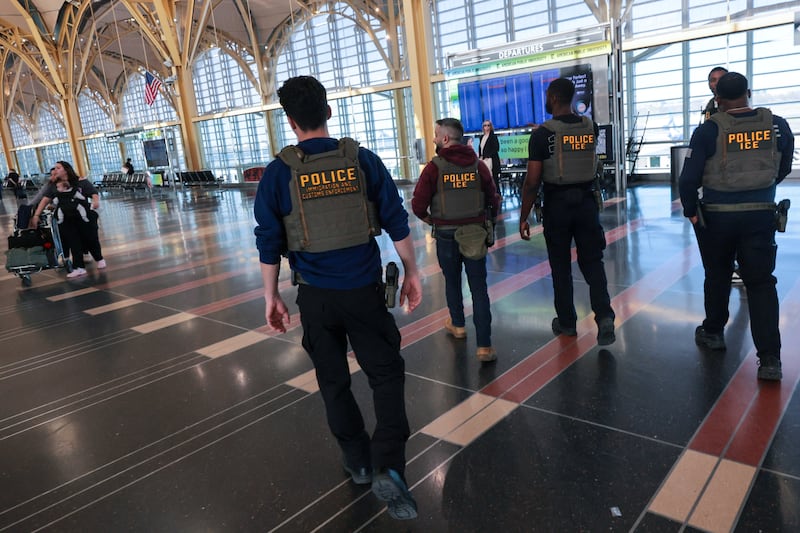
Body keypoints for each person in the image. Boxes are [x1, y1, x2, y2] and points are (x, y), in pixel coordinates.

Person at [253, 76, 422, 520]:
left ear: (290, 122)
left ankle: (359, 461)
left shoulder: (278, 173)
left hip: (315, 298)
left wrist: (271, 296)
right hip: (365, 292)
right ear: (328, 112)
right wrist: (412, 271)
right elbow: (396, 221)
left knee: (333, 381)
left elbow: (269, 241)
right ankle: (389, 461)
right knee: (385, 375)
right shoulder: (361, 160)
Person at [678, 72, 794, 381]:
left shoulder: (707, 130)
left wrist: (691, 211)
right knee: (761, 283)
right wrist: (760, 192)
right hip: (760, 216)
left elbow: (688, 179)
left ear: (717, 100)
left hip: (716, 218)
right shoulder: (777, 125)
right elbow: (783, 167)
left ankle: (714, 332)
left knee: (717, 275)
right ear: (749, 92)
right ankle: (770, 359)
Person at [519, 77, 616, 346]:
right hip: (586, 203)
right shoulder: (590, 127)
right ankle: (605, 316)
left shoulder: (542, 134)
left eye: (547, 95)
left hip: (557, 205)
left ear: (552, 97)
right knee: (593, 262)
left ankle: (567, 323)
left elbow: (532, 181)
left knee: (560, 266)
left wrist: (524, 215)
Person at [411, 117, 500, 362]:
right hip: (474, 234)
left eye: (436, 134)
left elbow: (418, 204)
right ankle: (485, 346)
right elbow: (493, 197)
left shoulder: (434, 168)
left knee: (452, 281)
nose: (433, 138)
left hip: (446, 234)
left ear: (445, 139)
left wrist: (431, 220)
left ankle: (458, 325)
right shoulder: (478, 165)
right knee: (479, 288)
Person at [31, 161, 106, 278]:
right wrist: (36, 215)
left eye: (58, 168)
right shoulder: (54, 185)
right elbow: (45, 200)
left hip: (83, 217)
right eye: (55, 168)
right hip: (66, 219)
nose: (55, 170)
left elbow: (93, 193)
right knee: (73, 242)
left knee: (90, 239)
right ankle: (79, 267)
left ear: (66, 170)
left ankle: (99, 258)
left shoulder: (80, 182)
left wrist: (96, 201)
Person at [478, 120, 502, 195]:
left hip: (492, 161)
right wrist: (481, 157)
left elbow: (496, 148)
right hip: (484, 161)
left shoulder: (493, 136)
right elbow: (481, 149)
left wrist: (487, 156)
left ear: (491, 127)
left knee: (495, 180)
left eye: (488, 125)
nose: (487, 127)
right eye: (485, 125)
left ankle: (498, 195)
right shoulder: (481, 137)